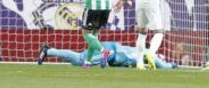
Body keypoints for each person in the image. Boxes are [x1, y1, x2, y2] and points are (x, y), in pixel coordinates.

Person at [37, 42, 177, 69]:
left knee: (77, 60)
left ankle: (48, 51)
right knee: (80, 60)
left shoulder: (136, 51)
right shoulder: (146, 53)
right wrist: (171, 66)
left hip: (111, 48)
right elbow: (159, 63)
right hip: (111, 53)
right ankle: (48, 51)